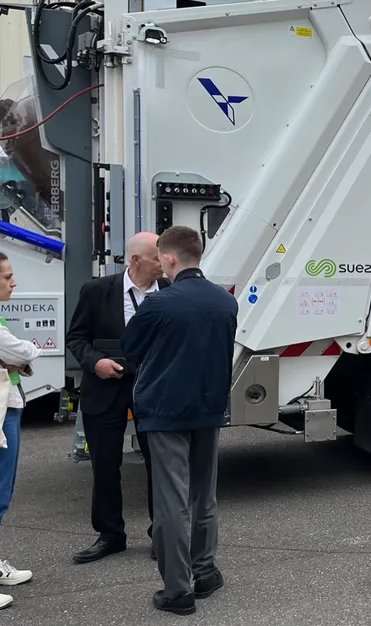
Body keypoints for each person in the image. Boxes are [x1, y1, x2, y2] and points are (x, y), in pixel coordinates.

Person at [122, 226, 237, 615]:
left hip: (164, 410)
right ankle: (205, 573)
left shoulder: (159, 304)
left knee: (172, 501)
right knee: (204, 495)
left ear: (169, 259)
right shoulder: (225, 302)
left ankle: (177, 591)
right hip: (208, 409)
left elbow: (130, 347)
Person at [66, 232, 168, 563]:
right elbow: (77, 337)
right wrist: (95, 361)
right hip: (106, 388)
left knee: (161, 464)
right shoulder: (97, 291)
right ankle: (110, 534)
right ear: (136, 260)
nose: (164, 263)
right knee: (106, 465)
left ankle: (162, 533)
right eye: (157, 257)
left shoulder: (169, 293)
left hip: (153, 390)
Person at [0, 251, 43, 609]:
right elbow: (25, 352)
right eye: (6, 277)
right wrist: (23, 354)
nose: (13, 283)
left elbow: (17, 358)